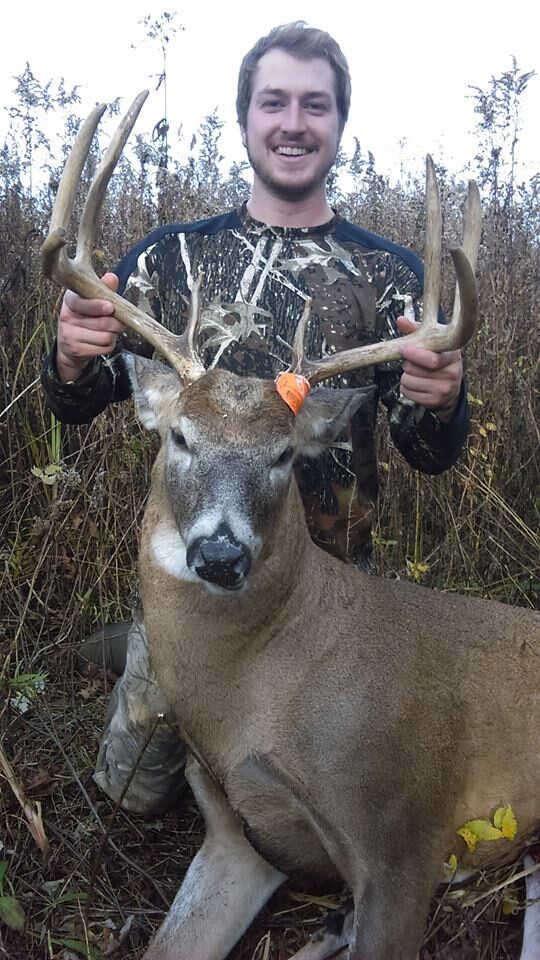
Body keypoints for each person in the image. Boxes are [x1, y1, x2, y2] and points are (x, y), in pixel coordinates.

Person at [41, 22, 469, 815]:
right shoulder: (168, 259)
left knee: (322, 813)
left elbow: (428, 450)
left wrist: (441, 401)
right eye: (273, 101)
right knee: (131, 797)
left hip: (330, 605)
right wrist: (70, 355)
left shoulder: (392, 276)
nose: (293, 122)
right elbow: (82, 398)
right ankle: (129, 650)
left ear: (341, 122)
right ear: (245, 119)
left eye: (316, 104)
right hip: (189, 594)